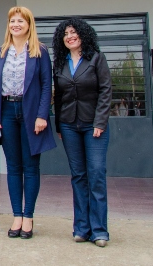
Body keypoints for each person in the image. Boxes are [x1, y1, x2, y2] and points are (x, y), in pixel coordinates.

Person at [0, 7, 56, 239]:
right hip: (6, 111)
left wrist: (42, 115)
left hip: (31, 113)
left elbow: (46, 85)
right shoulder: (1, 52)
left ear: (29, 25)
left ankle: (28, 217)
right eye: (12, 21)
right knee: (13, 167)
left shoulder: (40, 51)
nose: (15, 24)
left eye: (20, 21)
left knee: (31, 166)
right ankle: (17, 215)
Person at [52, 18, 113, 247]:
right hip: (69, 125)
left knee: (96, 174)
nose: (70, 36)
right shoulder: (60, 63)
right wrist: (59, 126)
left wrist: (100, 121)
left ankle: (99, 231)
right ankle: (81, 228)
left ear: (83, 35)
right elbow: (59, 97)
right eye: (66, 33)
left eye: (73, 32)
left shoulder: (96, 58)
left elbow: (106, 90)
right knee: (78, 176)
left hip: (93, 125)